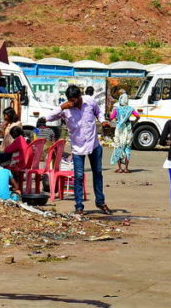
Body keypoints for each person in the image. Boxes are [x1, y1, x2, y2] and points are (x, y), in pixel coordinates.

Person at [45, 85, 112, 215]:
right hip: (77, 147)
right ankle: (79, 206)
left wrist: (103, 121)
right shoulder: (65, 109)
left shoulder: (90, 101)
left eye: (74, 100)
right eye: (70, 100)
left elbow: (99, 113)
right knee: (79, 176)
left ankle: (100, 202)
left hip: (94, 144)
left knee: (98, 173)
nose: (72, 103)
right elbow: (47, 118)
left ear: (80, 97)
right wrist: (61, 107)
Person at [110, 93, 141, 173]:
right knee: (127, 148)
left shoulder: (117, 109)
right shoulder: (131, 109)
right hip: (128, 130)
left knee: (118, 147)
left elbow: (111, 117)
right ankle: (126, 168)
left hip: (119, 130)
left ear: (120, 100)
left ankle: (120, 168)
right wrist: (133, 123)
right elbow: (138, 116)